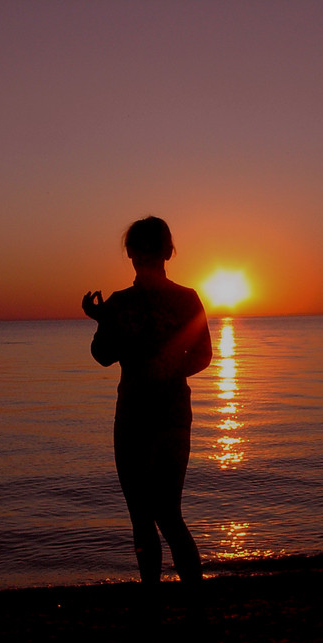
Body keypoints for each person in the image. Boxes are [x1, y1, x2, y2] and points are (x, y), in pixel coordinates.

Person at [83, 216, 212, 585]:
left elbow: (103, 355)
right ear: (168, 252)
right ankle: (194, 607)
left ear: (131, 254)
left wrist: (102, 320)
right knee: (170, 514)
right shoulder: (187, 299)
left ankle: (152, 602)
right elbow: (203, 355)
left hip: (135, 417)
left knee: (143, 516)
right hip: (173, 415)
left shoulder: (122, 304)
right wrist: (169, 368)